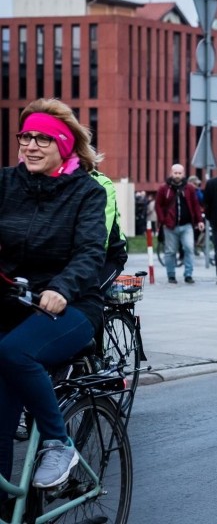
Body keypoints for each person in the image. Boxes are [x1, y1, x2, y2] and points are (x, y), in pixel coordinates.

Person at [0, 98, 108, 500]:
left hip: (74, 305)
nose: (30, 145)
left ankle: (58, 444)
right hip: (14, 301)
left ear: (63, 145)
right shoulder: (6, 183)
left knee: (14, 352)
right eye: (25, 136)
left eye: (42, 138)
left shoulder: (86, 192)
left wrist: (62, 288)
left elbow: (90, 253)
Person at [155, 164, 205, 284]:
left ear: (183, 174)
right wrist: (163, 220)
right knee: (170, 251)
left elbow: (195, 205)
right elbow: (158, 205)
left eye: (179, 173)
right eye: (175, 173)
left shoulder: (189, 188)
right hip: (170, 226)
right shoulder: (164, 188)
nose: (177, 175)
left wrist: (199, 221)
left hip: (187, 225)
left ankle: (188, 274)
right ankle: (171, 275)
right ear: (171, 173)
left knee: (189, 248)